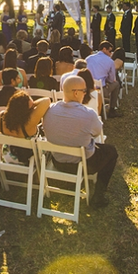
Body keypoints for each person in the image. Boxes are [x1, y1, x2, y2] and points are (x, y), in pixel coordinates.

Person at [42, 75, 118, 208]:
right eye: (84, 91)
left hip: (58, 161)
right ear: (76, 92)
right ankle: (99, 196)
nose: (86, 93)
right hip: (82, 164)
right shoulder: (89, 114)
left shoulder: (49, 110)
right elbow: (96, 133)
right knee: (111, 151)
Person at [0, 91, 51, 162]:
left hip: (8, 157)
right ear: (24, 111)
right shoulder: (28, 124)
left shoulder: (1, 118)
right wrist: (34, 104)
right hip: (29, 160)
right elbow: (47, 101)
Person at [85, 41, 121, 117]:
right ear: (104, 49)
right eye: (110, 51)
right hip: (99, 89)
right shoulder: (110, 61)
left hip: (86, 87)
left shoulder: (88, 58)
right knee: (117, 84)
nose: (111, 54)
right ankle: (112, 109)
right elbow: (112, 79)